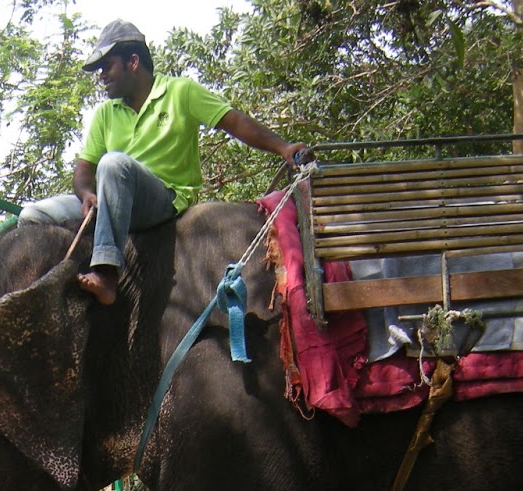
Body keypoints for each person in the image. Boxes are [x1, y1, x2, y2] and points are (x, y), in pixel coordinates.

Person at [18, 19, 308, 305]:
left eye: (107, 66)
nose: (101, 75)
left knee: (113, 164)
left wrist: (283, 147)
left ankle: (106, 274)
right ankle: (48, 302)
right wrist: (86, 194)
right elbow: (84, 170)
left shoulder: (181, 92)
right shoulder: (106, 113)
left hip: (160, 200)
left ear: (133, 61)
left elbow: (235, 122)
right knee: (32, 216)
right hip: (111, 202)